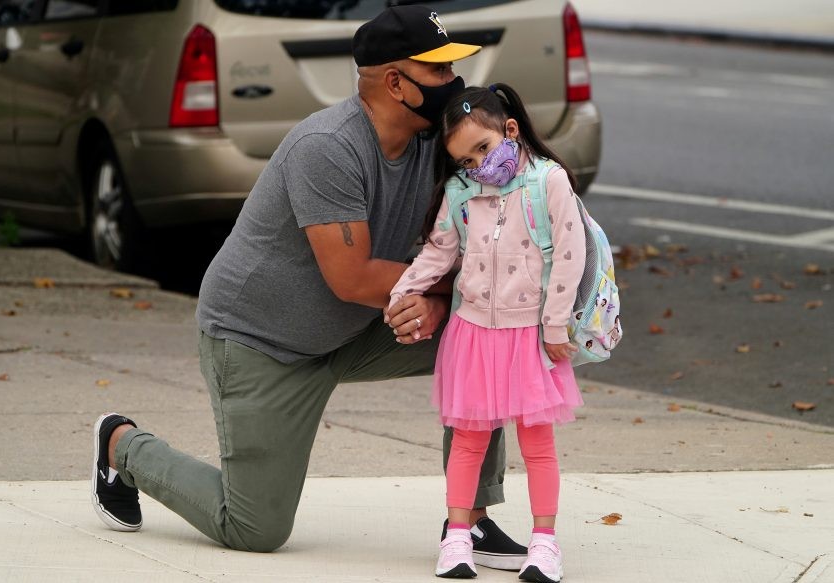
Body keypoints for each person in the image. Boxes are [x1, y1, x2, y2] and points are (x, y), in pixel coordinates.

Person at [89, 4, 528, 570]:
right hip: (260, 343)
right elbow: (354, 278)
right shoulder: (327, 147)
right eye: (439, 72)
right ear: (396, 83)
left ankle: (470, 518)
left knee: (486, 336)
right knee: (253, 528)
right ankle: (121, 445)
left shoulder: (434, 145)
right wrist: (447, 293)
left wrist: (457, 298)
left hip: (356, 329)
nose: (454, 83)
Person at [387, 84, 586, 581]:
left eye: (483, 149)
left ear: (510, 130)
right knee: (468, 441)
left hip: (531, 336)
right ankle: (457, 539)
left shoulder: (548, 181)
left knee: (537, 442)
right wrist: (402, 291)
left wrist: (556, 322)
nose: (478, 165)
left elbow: (569, 253)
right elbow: (438, 251)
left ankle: (545, 544)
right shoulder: (461, 192)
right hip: (473, 332)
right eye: (465, 160)